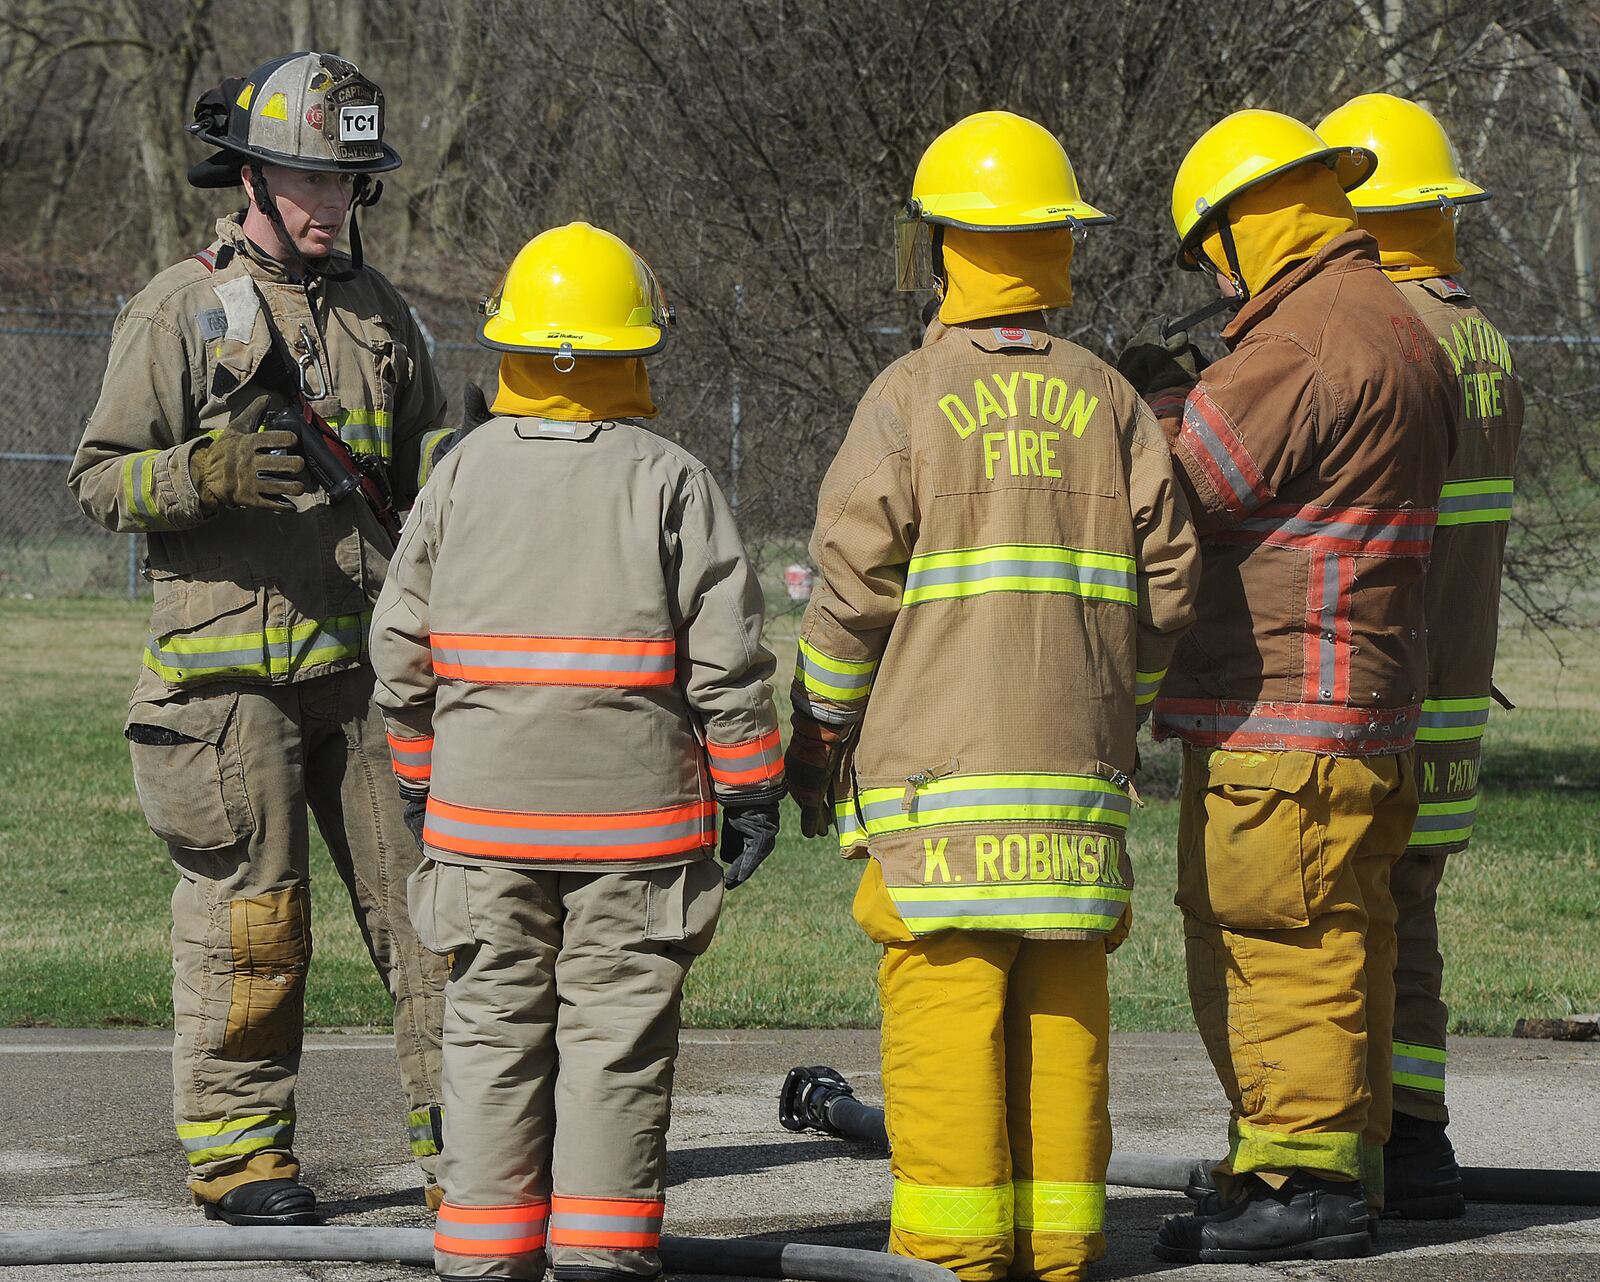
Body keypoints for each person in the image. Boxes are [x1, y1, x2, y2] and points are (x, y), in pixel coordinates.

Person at [786, 110, 1200, 1282]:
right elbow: (1169, 595)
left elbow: (850, 601)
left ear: (943, 248)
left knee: (946, 1027)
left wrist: (816, 743)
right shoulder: (1115, 403)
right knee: (1065, 1026)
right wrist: (1112, 705)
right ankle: (1064, 1251)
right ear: (1054, 246)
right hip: (1074, 810)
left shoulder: (907, 398)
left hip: (937, 813)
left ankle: (956, 1262)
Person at [66, 51, 449, 1225]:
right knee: (254, 923)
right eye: (309, 182)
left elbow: (428, 475)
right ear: (252, 177)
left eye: (348, 185)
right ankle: (241, 1157)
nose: (331, 205)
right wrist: (203, 472)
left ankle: (472, 1146)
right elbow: (94, 480)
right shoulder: (177, 308)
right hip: (227, 680)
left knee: (435, 916)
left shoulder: (384, 317)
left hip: (370, 673)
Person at [369, 221, 785, 1282]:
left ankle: (482, 1258)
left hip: (483, 827)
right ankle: (601, 1256)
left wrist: (422, 782)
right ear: (629, 351)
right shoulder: (672, 479)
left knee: (491, 1036)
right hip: (636, 836)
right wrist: (747, 790)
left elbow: (401, 650)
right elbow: (726, 661)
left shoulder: (459, 478)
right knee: (614, 1045)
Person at [1116, 109, 1457, 1263]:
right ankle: (1323, 1164)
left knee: (1280, 937)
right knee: (1345, 941)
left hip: (1284, 714)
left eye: (1210, 250)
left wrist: (1156, 403)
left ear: (1241, 228)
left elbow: (1174, 494)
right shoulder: (1400, 327)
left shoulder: (1299, 345)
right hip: (1366, 706)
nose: (1213, 280)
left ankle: (1300, 1180)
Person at [1317, 92, 1524, 1220]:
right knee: (1411, 912)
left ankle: (1352, 1147)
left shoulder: (1391, 337)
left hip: (1384, 692)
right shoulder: (1482, 333)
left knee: (1347, 919)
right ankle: (1418, 1138)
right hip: (1453, 696)